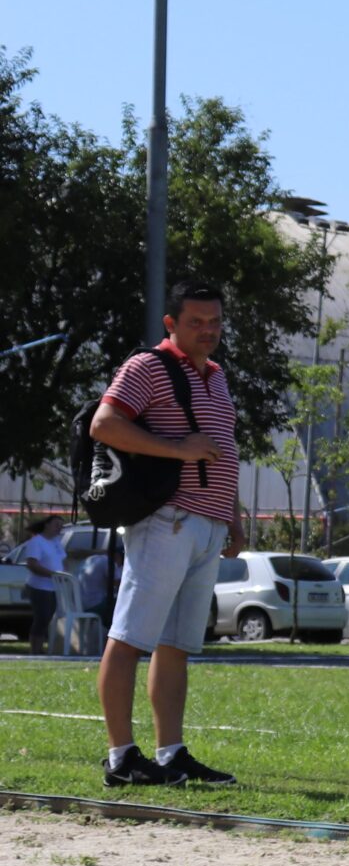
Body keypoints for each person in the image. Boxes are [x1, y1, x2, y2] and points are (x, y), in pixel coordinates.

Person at [87, 279, 245, 788]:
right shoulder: (147, 367)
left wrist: (233, 515)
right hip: (166, 520)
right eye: (196, 322)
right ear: (170, 324)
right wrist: (179, 450)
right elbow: (104, 424)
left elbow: (219, 447)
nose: (208, 331)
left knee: (177, 645)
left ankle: (170, 753)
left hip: (207, 523)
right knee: (130, 637)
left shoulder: (217, 376)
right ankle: (120, 757)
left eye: (215, 322)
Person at [17, 516, 66, 650]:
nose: (59, 528)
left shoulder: (56, 542)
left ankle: (40, 648)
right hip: (39, 587)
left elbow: (62, 560)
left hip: (54, 588)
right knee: (42, 618)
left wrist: (63, 575)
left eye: (61, 525)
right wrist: (52, 574)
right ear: (47, 525)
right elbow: (32, 564)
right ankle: (35, 650)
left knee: (48, 618)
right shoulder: (36, 542)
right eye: (56, 525)